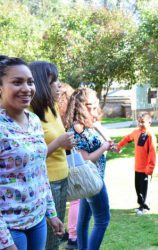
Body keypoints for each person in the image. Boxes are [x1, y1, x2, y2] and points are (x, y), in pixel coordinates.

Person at [0, 57, 64, 250]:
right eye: (17, 82)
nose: (27, 88)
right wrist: (5, 241)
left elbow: (40, 171)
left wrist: (51, 213)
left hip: (37, 221)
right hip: (10, 227)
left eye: (30, 81)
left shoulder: (35, 121)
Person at [29, 61, 74, 250]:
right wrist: (59, 143)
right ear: (40, 85)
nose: (59, 85)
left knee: (56, 237)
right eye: (52, 81)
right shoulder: (29, 113)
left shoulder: (52, 108)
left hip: (62, 178)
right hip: (48, 183)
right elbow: (30, 158)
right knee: (49, 241)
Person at [64, 87, 112, 250]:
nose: (95, 107)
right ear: (80, 106)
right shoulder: (78, 129)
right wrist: (104, 147)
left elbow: (106, 138)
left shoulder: (87, 125)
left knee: (83, 222)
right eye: (91, 104)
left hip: (89, 180)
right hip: (92, 179)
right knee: (102, 219)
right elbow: (86, 159)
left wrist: (105, 139)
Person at [114, 112, 157, 215]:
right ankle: (141, 205)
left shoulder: (150, 136)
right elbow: (127, 138)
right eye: (139, 122)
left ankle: (145, 207)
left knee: (145, 189)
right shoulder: (136, 132)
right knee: (138, 188)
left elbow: (152, 153)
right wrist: (119, 146)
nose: (140, 124)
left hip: (146, 170)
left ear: (149, 122)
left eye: (143, 122)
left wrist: (150, 168)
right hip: (137, 168)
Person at [57, 82, 79, 249]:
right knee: (75, 200)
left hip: (62, 164)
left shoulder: (55, 115)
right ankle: (72, 236)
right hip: (63, 164)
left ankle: (67, 233)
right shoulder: (65, 119)